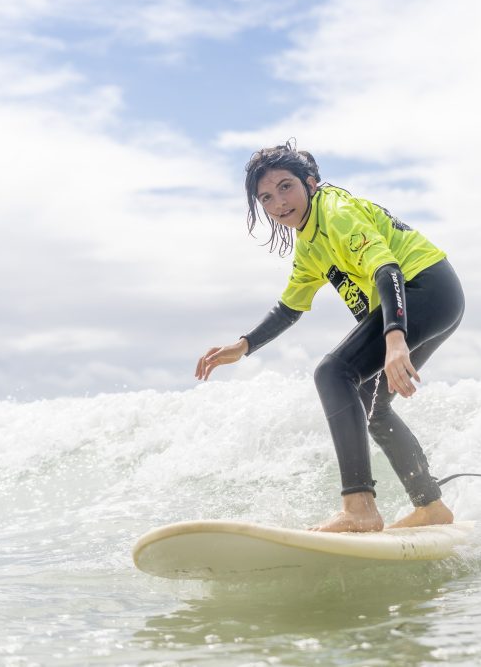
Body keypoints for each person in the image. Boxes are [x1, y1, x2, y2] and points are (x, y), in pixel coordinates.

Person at [195, 142, 465, 533]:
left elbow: (387, 269)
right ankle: (431, 506)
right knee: (373, 406)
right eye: (266, 197)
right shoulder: (309, 244)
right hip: (432, 296)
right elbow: (290, 307)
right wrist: (244, 345)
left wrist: (395, 340)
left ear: (310, 183)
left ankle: (359, 507)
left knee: (333, 373)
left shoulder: (336, 213)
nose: (278, 203)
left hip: (424, 287)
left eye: (285, 187)